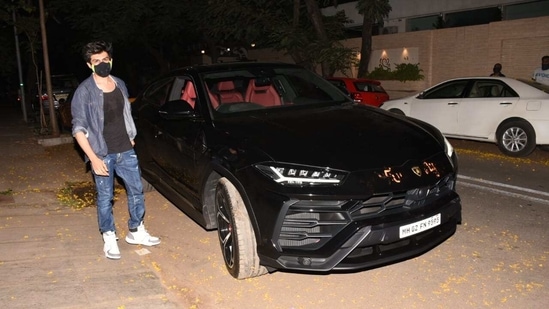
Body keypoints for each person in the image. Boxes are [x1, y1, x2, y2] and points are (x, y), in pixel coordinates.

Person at [71, 41, 160, 260]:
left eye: (104, 59)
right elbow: (78, 129)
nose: (102, 63)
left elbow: (125, 113)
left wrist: (130, 137)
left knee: (137, 191)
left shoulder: (119, 83)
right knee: (105, 197)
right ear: (89, 65)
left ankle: (136, 230)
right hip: (102, 153)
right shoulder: (84, 91)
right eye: (96, 61)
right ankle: (109, 236)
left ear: (110, 60)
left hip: (125, 150)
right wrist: (92, 158)